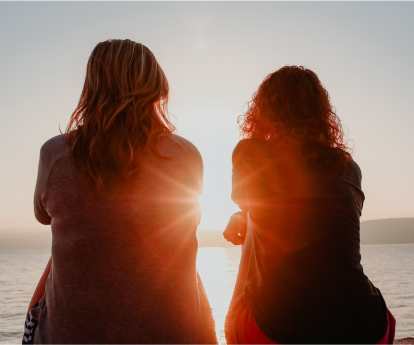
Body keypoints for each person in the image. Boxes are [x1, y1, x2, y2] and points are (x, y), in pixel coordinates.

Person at [23, 39, 217, 345]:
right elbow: (188, 222)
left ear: (92, 86)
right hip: (171, 334)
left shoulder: (56, 153)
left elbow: (42, 215)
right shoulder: (185, 154)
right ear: (156, 85)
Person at [223, 66, 395, 345]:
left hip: (279, 331)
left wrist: (242, 215)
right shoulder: (348, 166)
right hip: (369, 326)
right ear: (321, 113)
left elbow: (254, 206)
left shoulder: (251, 152)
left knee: (254, 221)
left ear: (263, 109)